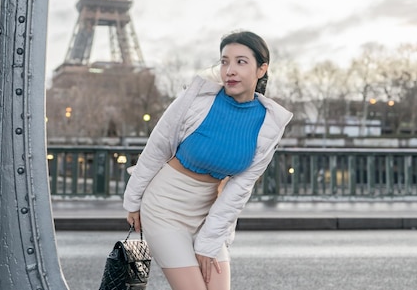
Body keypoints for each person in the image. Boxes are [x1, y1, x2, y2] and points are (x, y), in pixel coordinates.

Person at [123, 30, 293, 290]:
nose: (230, 70)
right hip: (164, 209)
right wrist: (133, 201)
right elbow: (156, 148)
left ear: (262, 69)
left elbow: (239, 189)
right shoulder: (196, 100)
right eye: (224, 61)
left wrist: (208, 242)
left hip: (208, 214)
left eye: (241, 61)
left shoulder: (269, 124)